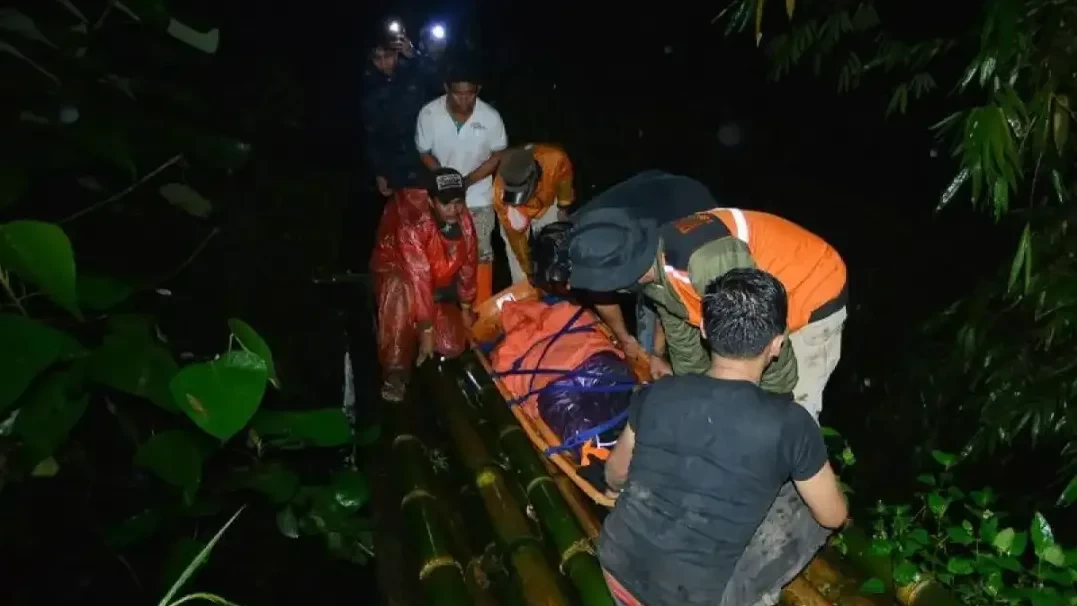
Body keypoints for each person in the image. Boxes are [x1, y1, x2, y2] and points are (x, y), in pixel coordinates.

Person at [597, 269, 849, 606]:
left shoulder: (659, 392)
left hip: (614, 564)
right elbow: (833, 518)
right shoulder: (791, 425)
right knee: (810, 508)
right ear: (777, 343)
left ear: (703, 329)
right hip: (690, 599)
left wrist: (614, 489)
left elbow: (615, 472)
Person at [567, 192, 848, 418]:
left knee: (792, 413)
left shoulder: (705, 262)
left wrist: (771, 406)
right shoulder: (652, 270)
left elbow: (762, 333)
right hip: (757, 299)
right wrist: (695, 393)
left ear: (621, 277)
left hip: (812, 290)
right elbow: (682, 333)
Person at [370, 168, 478, 401]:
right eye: (445, 203)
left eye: (458, 202)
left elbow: (469, 265)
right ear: (430, 201)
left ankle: (418, 327)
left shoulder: (465, 222)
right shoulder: (413, 224)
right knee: (400, 290)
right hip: (401, 274)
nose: (453, 210)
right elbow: (419, 275)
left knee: (452, 345)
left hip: (435, 284)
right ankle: (395, 370)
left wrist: (467, 306)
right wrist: (427, 329)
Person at [415, 62, 507, 304]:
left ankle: (481, 310)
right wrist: (447, 180)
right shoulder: (428, 114)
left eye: (470, 94)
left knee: (482, 253)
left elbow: (498, 154)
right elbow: (424, 152)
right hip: (442, 198)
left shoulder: (490, 117)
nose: (465, 100)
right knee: (440, 250)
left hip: (478, 196)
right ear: (447, 88)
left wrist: (466, 181)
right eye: (458, 93)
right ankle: (442, 309)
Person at [361, 20, 443, 200]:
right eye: (378, 58)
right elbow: (372, 135)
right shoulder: (369, 87)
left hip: (426, 160)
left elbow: (440, 83)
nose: (384, 63)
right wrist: (380, 172)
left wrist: (414, 54)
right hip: (395, 167)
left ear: (396, 54)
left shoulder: (414, 72)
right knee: (400, 222)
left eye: (388, 56)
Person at [493, 144, 575, 284]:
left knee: (555, 242)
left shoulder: (555, 159)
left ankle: (559, 282)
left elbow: (565, 180)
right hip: (517, 210)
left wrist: (563, 205)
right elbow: (516, 239)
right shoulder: (501, 194)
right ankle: (523, 287)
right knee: (515, 253)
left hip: (547, 201)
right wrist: (529, 270)